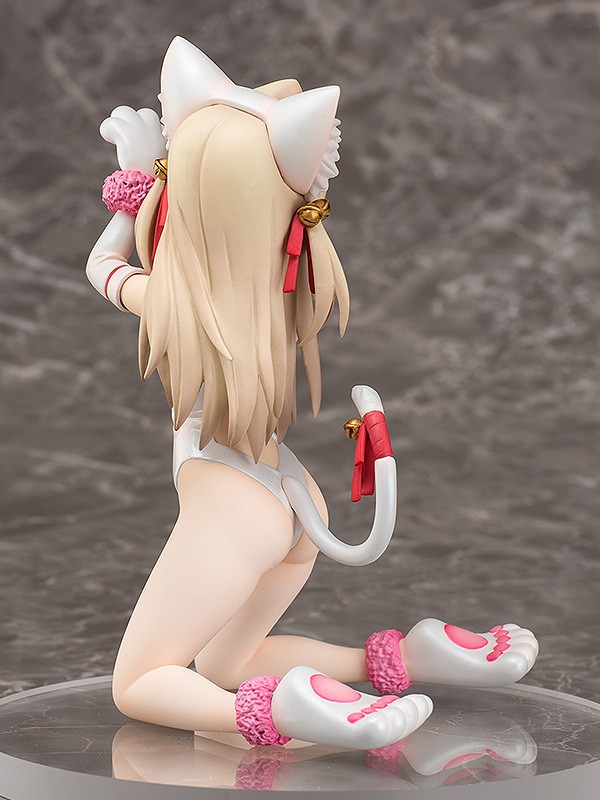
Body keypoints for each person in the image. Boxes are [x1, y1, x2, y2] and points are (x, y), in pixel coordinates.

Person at [85, 37, 539, 749]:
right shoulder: (281, 279)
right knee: (225, 662)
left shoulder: (176, 300)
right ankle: (409, 659)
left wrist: (136, 179)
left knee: (139, 682)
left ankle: (282, 713)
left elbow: (103, 262)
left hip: (231, 505)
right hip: (292, 495)